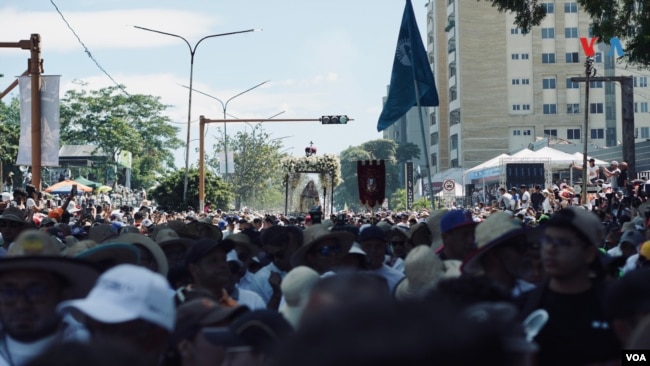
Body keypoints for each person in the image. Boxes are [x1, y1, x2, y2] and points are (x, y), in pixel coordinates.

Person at [519, 207, 621, 366]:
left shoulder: (616, 305)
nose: (550, 249)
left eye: (562, 242)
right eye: (547, 240)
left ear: (589, 253)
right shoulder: (525, 305)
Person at [0, 230, 100, 366]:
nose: (21, 304)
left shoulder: (94, 351)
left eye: (36, 291)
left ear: (63, 295)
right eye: (9, 292)